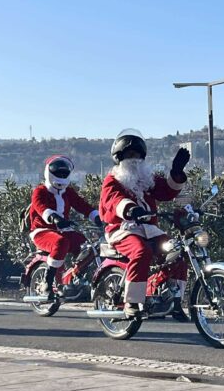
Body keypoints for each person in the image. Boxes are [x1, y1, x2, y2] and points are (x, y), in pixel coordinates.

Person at [99, 128, 191, 321]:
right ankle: (131, 302)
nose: (135, 159)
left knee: (177, 252)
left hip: (149, 229)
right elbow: (113, 200)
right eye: (130, 155)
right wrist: (130, 209)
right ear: (120, 157)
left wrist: (176, 172)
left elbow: (166, 192)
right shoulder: (112, 180)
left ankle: (173, 301)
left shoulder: (147, 179)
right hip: (122, 230)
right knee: (141, 252)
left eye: (138, 155)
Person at [29, 155, 102, 300]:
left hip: (63, 230)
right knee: (60, 242)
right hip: (42, 231)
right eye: (58, 173)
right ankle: (47, 283)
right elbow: (40, 207)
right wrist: (54, 217)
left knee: (88, 245)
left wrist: (98, 217)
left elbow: (82, 205)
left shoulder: (68, 191)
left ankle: (76, 278)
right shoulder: (40, 191)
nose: (61, 175)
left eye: (64, 173)